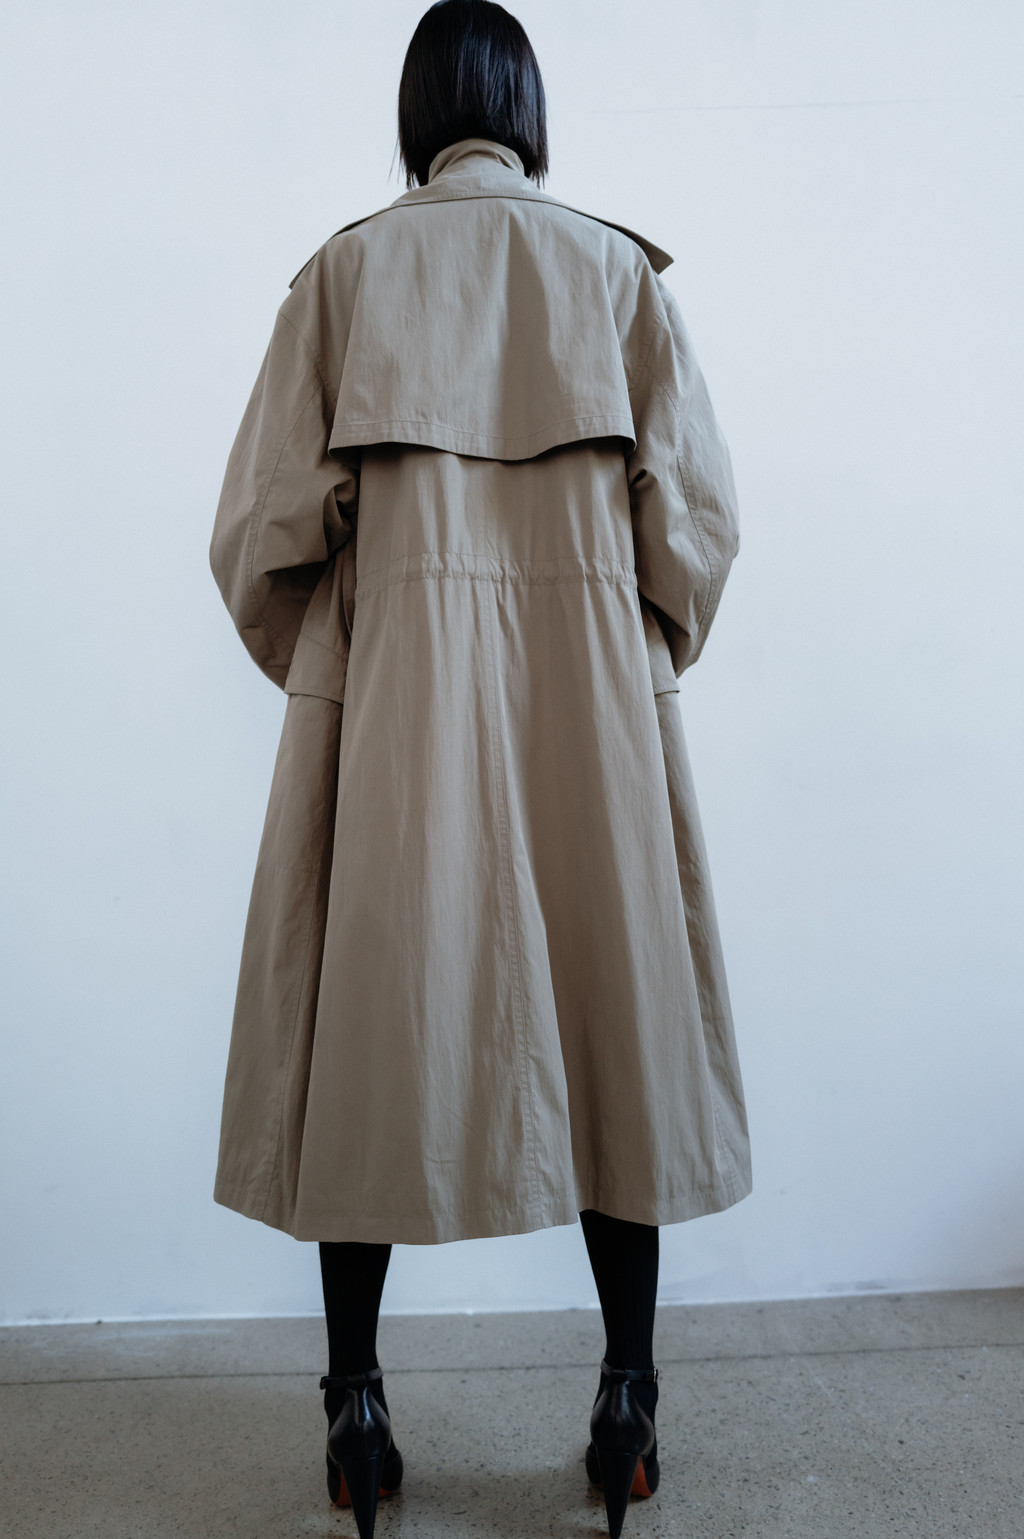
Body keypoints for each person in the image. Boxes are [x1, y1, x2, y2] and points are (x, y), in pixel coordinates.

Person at [208, 3, 752, 1536]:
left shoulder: (344, 278)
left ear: (417, 117)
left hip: (403, 711)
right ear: (527, 111)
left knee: (366, 1040)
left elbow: (259, 538)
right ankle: (629, 1403)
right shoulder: (618, 279)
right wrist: (620, 649)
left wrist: (351, 659)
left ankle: (356, 1411)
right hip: (592, 710)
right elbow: (696, 538)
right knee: (617, 1035)